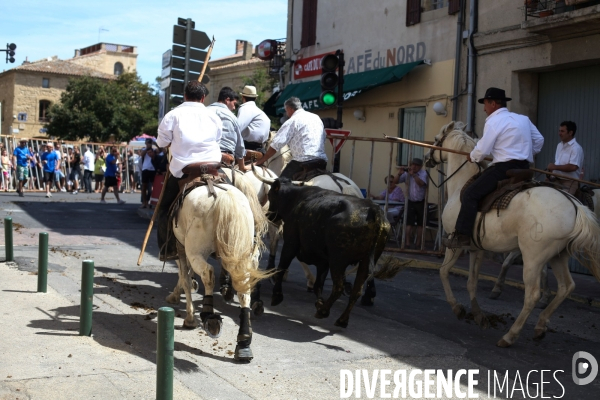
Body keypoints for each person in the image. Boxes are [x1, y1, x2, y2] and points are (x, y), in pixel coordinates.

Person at [444, 87, 544, 248]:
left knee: (470, 194)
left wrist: (473, 156)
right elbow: (539, 140)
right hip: (525, 168)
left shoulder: (493, 121)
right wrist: (525, 153)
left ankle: (462, 236)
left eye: (485, 104)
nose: (484, 109)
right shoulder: (523, 119)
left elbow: (483, 149)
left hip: (503, 169)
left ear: (493, 103)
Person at [156, 80, 222, 261]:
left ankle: (168, 249)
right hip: (213, 168)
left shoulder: (173, 115)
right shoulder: (214, 116)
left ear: (185, 95)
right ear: (203, 97)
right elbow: (218, 138)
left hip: (184, 170)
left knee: (163, 209)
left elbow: (161, 142)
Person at [256, 96, 328, 179]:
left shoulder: (293, 120)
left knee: (280, 186)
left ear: (290, 109)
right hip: (321, 161)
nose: (287, 114)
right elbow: (323, 137)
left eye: (286, 111)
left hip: (302, 162)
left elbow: (276, 144)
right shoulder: (316, 117)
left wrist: (262, 160)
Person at [208, 87, 248, 170]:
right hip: (226, 159)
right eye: (234, 104)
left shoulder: (204, 111)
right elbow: (239, 146)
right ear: (227, 100)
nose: (234, 108)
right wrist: (242, 166)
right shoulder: (232, 117)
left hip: (203, 157)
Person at [395, 158, 428, 249]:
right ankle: (407, 243)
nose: (414, 166)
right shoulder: (406, 173)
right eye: (412, 164)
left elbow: (421, 183)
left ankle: (418, 244)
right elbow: (395, 182)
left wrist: (413, 175)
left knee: (421, 224)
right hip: (410, 201)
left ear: (420, 166)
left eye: (416, 165)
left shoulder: (423, 173)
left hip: (421, 202)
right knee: (409, 223)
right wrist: (399, 173)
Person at [546, 121, 583, 195]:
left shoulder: (576, 148)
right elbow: (558, 163)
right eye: (559, 131)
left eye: (562, 131)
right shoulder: (559, 145)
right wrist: (550, 173)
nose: (559, 133)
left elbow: (573, 167)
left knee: (562, 203)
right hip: (556, 179)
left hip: (569, 182)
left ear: (570, 133)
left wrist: (554, 167)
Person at [236, 85, 270, 152]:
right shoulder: (261, 112)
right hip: (262, 150)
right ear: (255, 98)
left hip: (247, 147)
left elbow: (238, 128)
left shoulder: (245, 108)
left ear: (243, 97)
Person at [140, 140, 157, 209]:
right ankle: (144, 202)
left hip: (152, 169)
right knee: (144, 187)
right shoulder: (144, 149)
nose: (148, 144)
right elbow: (142, 154)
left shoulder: (154, 150)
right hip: (145, 169)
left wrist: (155, 145)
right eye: (146, 143)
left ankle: (151, 201)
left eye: (149, 143)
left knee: (153, 187)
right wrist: (147, 148)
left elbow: (160, 152)